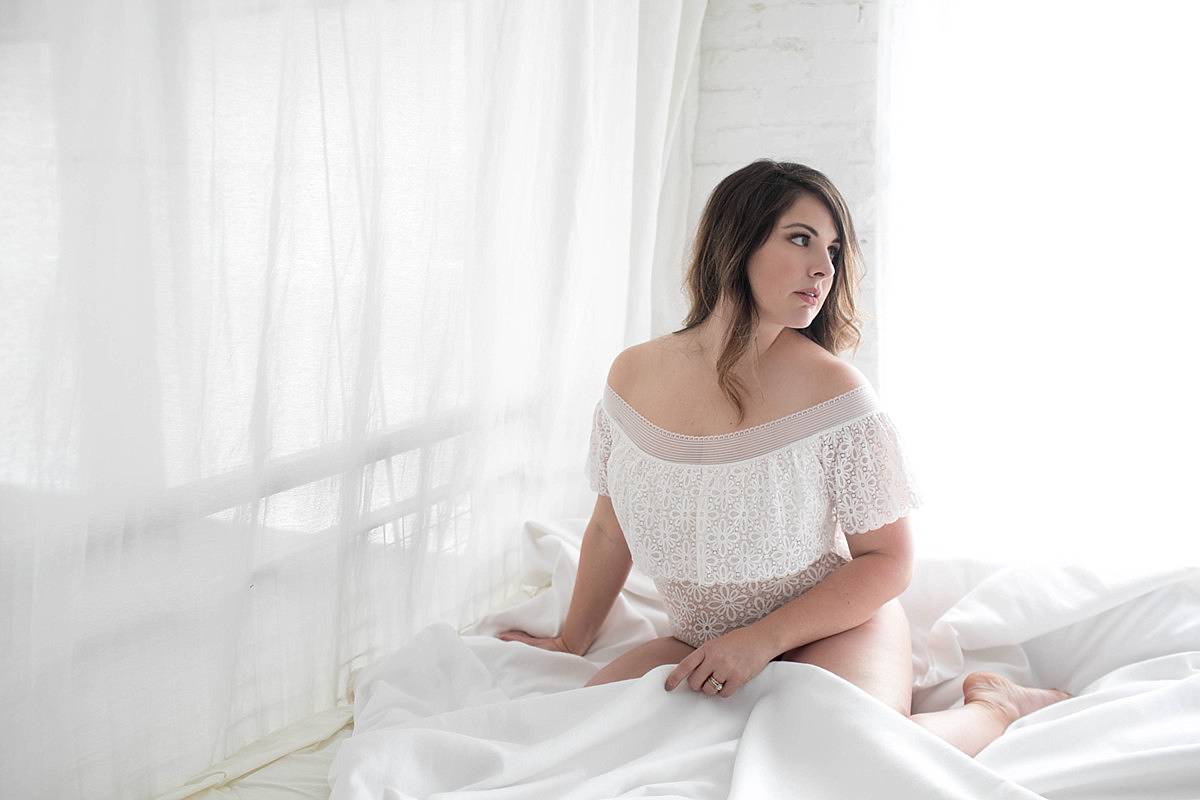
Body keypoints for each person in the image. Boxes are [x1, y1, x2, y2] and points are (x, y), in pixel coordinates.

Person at [497, 159, 1070, 758]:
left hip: (834, 629)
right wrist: (571, 639)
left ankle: (996, 707)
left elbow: (889, 560)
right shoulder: (633, 374)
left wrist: (759, 641)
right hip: (701, 637)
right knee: (579, 742)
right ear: (735, 240)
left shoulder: (837, 394)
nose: (823, 267)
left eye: (834, 248)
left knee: (858, 761)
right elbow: (609, 526)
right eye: (800, 239)